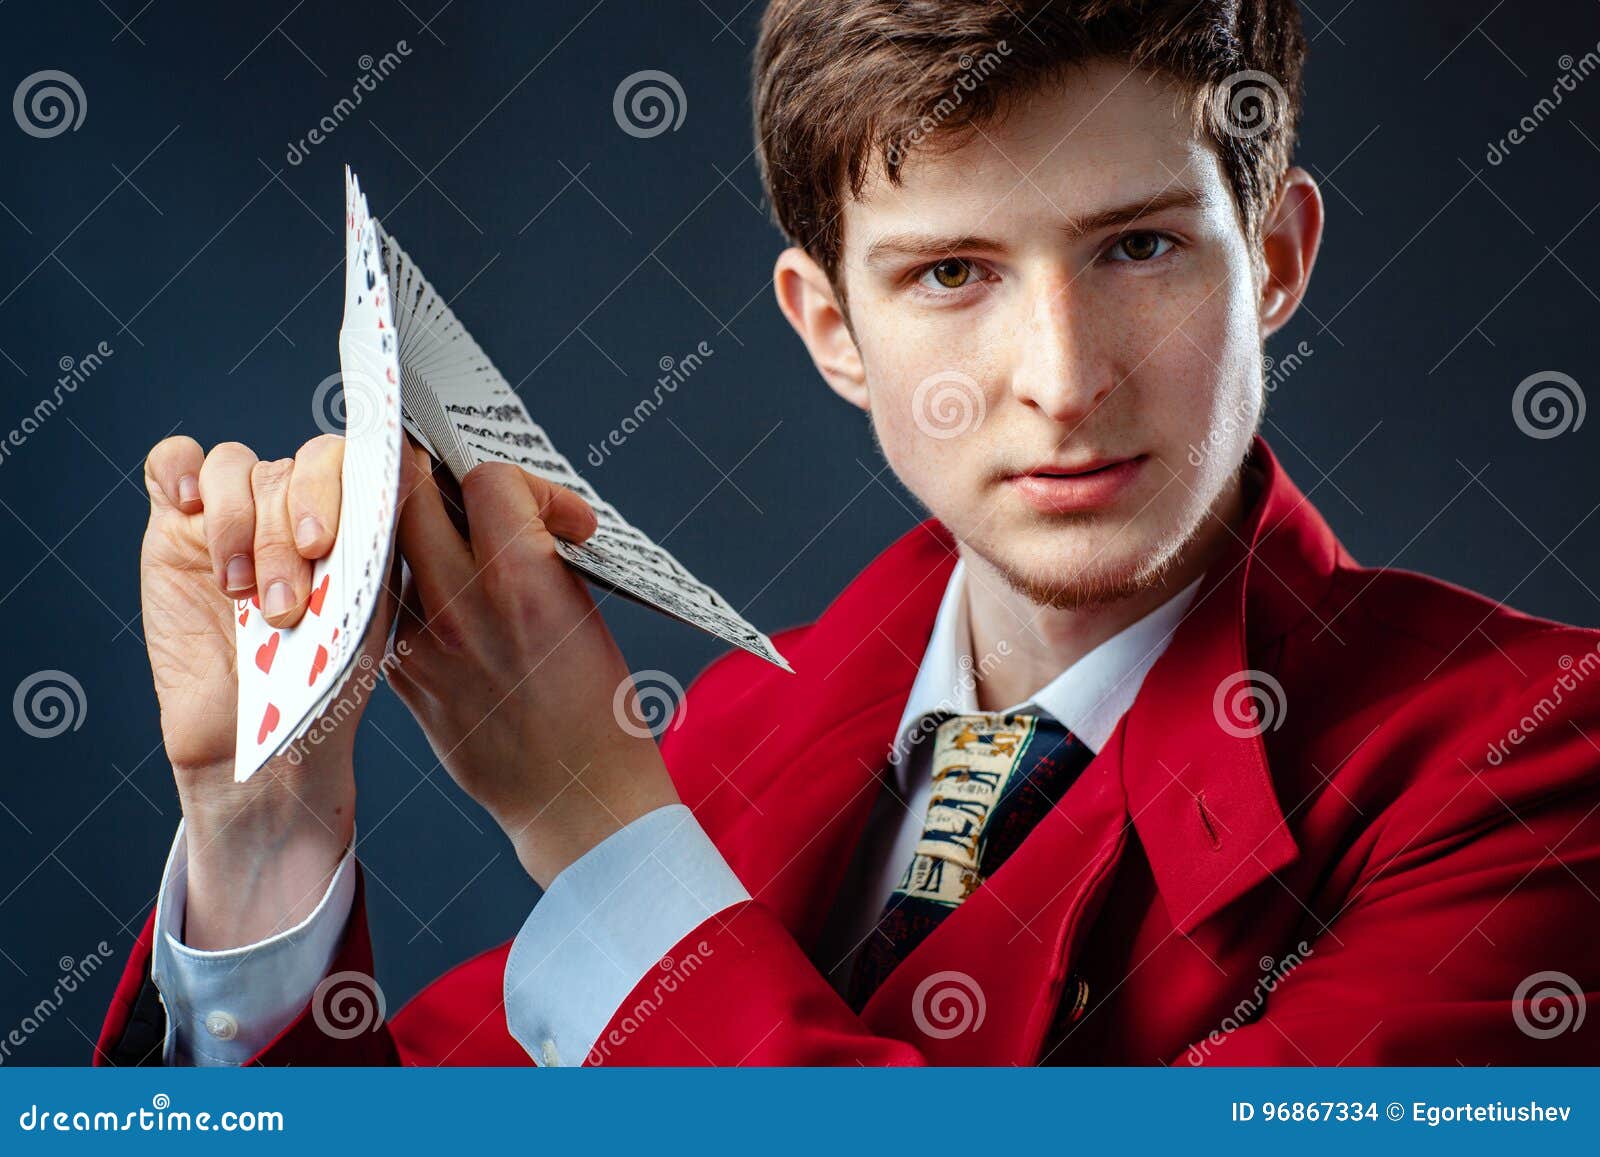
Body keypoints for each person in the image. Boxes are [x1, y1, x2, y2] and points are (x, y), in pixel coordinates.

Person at [98, 0, 1600, 1067]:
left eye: (1139, 248)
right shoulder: (751, 727)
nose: (1064, 381)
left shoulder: (1535, 762)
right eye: (952, 273)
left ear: (1271, 261)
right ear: (832, 328)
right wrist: (266, 838)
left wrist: (591, 823)